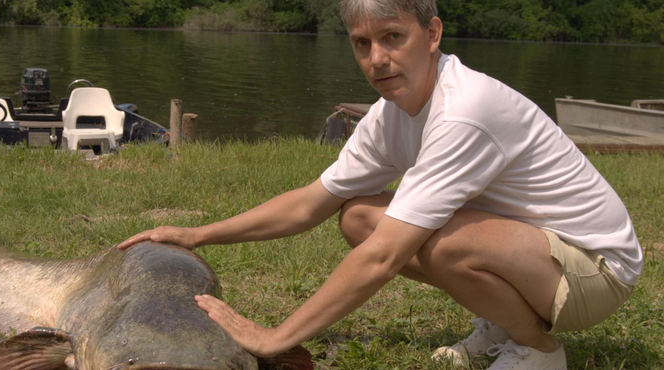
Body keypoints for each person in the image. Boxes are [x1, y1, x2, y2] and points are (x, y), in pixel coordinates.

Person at [118, 0, 642, 368]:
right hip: (535, 255)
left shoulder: (463, 111)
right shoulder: (393, 112)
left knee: (428, 239)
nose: (377, 59)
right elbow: (310, 204)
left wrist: (276, 337)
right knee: (359, 217)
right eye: (362, 43)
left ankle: (538, 349)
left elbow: (383, 258)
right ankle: (504, 322)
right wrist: (198, 234)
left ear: (432, 35)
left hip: (595, 271)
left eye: (393, 37)